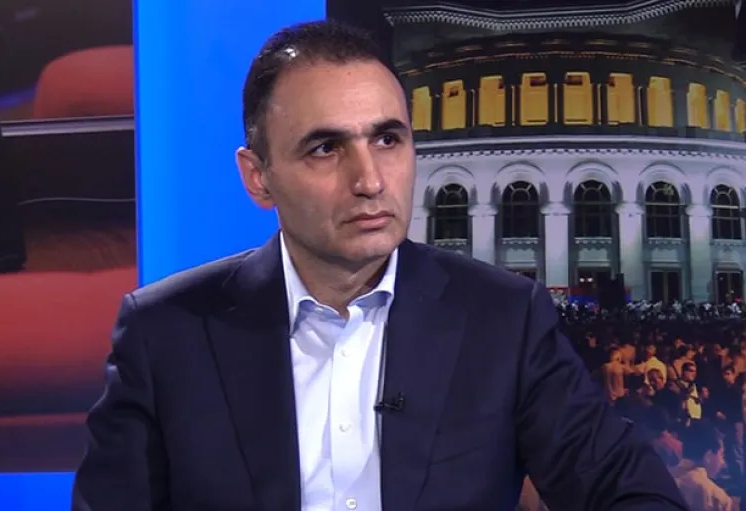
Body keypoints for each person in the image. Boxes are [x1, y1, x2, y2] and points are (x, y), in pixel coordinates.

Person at [71, 19, 690, 511]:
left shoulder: (503, 318)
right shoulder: (166, 333)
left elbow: (629, 490)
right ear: (258, 177)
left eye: (388, 139)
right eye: (325, 148)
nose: (369, 180)